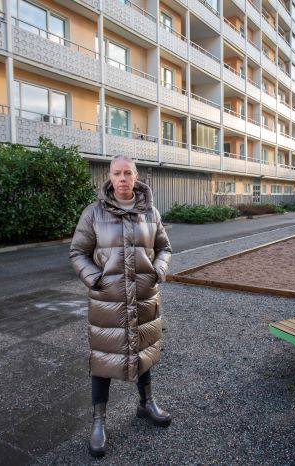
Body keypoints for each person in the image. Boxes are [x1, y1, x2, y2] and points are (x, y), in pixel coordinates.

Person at [69, 155, 172, 458]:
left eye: (128, 173)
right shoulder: (93, 214)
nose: (123, 178)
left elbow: (164, 247)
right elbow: (78, 252)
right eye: (117, 173)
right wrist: (95, 279)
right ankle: (99, 421)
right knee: (103, 357)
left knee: (144, 349)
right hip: (108, 300)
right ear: (110, 177)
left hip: (143, 297)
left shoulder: (150, 213)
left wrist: (157, 272)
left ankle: (146, 404)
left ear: (136, 176)